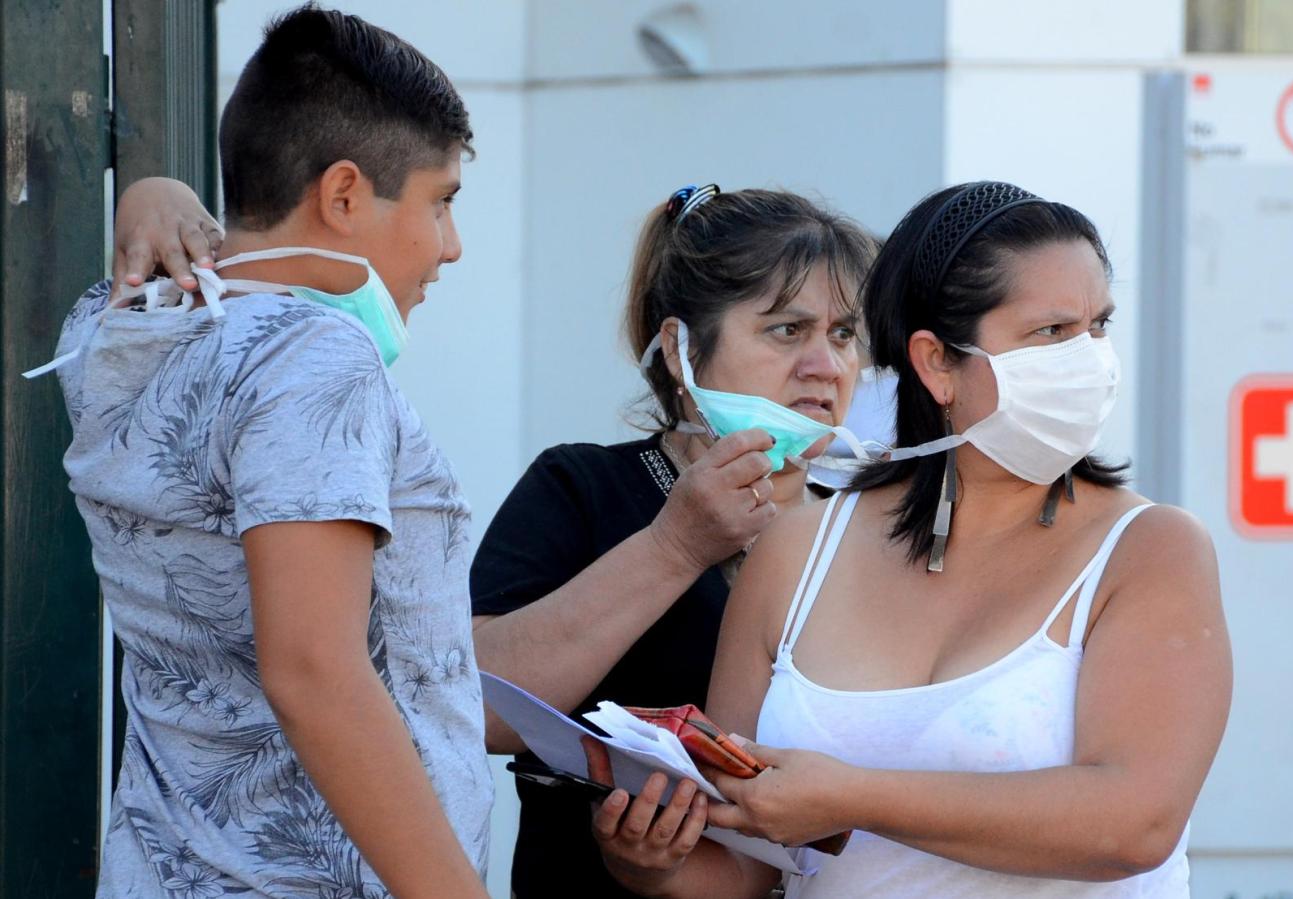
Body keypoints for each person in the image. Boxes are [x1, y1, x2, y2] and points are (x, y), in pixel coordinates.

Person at [587, 181, 1232, 897]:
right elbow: (742, 859)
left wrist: (854, 796)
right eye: (1051, 334)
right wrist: (651, 859)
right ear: (934, 364)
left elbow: (1134, 823)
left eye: (1098, 326)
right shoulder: (797, 552)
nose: (1088, 361)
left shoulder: (1149, 548)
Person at [37, 6, 493, 896]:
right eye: (440, 202)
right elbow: (315, 669)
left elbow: (207, 265)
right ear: (345, 195)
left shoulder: (111, 326)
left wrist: (154, 191)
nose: (450, 246)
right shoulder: (315, 353)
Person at [468, 184, 879, 897]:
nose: (826, 366)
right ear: (680, 349)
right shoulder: (582, 487)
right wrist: (675, 546)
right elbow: (477, 705)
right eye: (787, 330)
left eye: (843, 334)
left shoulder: (869, 530)